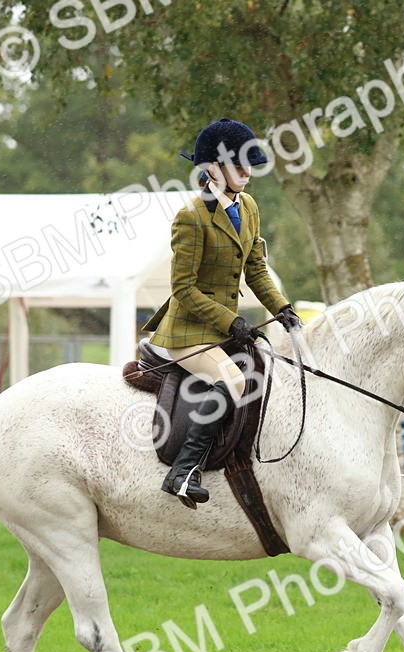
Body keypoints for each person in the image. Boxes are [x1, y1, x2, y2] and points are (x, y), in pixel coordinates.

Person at [141, 118, 303, 507]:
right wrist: (231, 321)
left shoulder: (248, 207)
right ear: (212, 169)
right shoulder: (191, 217)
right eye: (237, 165)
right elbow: (183, 288)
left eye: (250, 164)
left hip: (222, 331)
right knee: (232, 381)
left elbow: (256, 269)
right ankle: (182, 472)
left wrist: (282, 308)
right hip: (187, 332)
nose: (247, 173)